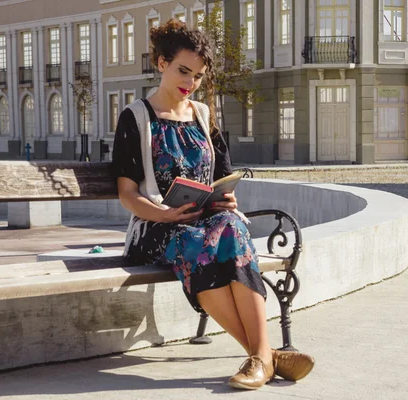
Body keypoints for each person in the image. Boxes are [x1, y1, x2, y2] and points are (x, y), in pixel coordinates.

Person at [111, 19, 314, 390]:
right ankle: (266, 355)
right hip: (155, 228)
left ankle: (259, 358)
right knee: (199, 245)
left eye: (199, 76)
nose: (191, 82)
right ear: (161, 64)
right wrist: (167, 213)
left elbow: (222, 176)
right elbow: (127, 194)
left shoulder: (204, 116)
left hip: (207, 222)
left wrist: (228, 196)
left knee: (233, 228)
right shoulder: (136, 117)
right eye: (183, 71)